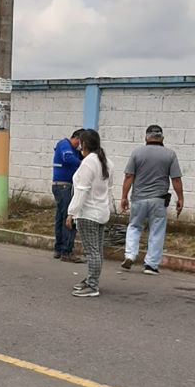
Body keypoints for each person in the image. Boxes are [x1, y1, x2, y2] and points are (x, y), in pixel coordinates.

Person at [120, 124, 183, 275]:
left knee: (134, 226)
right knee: (157, 230)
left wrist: (124, 197)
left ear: (146, 138)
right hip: (158, 200)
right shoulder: (170, 154)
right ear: (162, 138)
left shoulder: (137, 153)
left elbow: (129, 176)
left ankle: (130, 255)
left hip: (139, 198)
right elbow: (176, 179)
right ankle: (151, 265)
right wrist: (180, 198)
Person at [65, 129, 115, 298]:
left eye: (80, 144)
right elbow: (109, 189)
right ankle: (91, 280)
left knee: (92, 252)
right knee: (97, 251)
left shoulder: (88, 163)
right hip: (101, 212)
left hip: (88, 213)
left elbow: (82, 190)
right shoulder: (107, 162)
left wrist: (71, 212)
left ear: (84, 144)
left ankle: (92, 285)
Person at [52, 128, 85, 262]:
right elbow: (68, 158)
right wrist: (85, 163)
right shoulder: (64, 144)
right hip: (63, 186)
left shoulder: (75, 151)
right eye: (81, 143)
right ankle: (66, 251)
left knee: (61, 217)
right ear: (77, 138)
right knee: (69, 216)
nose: (80, 146)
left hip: (63, 186)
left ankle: (59, 248)